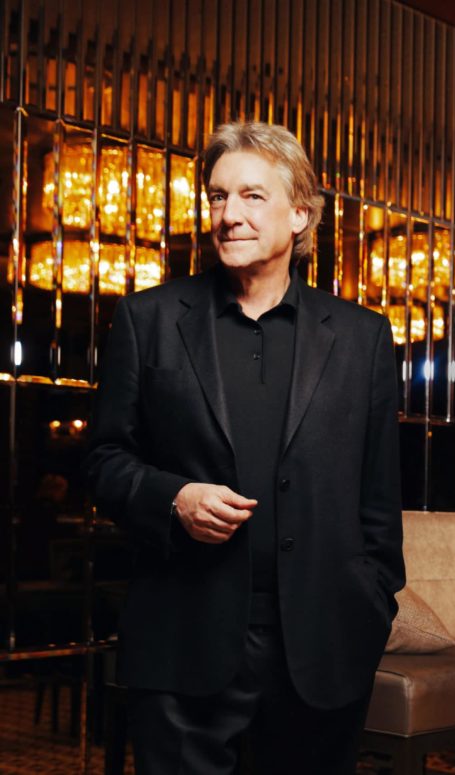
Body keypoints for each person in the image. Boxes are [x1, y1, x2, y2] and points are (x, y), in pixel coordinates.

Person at [87, 121, 405, 775]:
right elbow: (103, 461)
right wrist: (172, 496)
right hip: (182, 643)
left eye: (252, 196)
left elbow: (379, 501)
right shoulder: (148, 321)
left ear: (300, 213)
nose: (228, 214)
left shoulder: (362, 337)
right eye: (216, 196)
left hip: (321, 649)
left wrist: (370, 606)